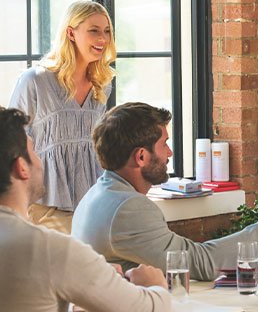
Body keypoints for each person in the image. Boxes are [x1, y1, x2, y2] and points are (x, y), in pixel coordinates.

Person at [72, 102, 258, 281]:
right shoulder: (128, 208)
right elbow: (198, 263)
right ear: (141, 156)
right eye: (164, 144)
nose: (170, 153)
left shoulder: (97, 194)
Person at [0, 106, 171, 312]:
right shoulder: (52, 249)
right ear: (21, 167)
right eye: (34, 151)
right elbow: (152, 307)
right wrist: (154, 285)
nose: (40, 159)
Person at [8, 0, 116, 234]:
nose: (103, 38)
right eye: (94, 30)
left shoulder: (101, 86)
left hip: (90, 203)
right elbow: (10, 142)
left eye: (107, 31)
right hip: (44, 205)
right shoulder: (35, 80)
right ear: (71, 33)